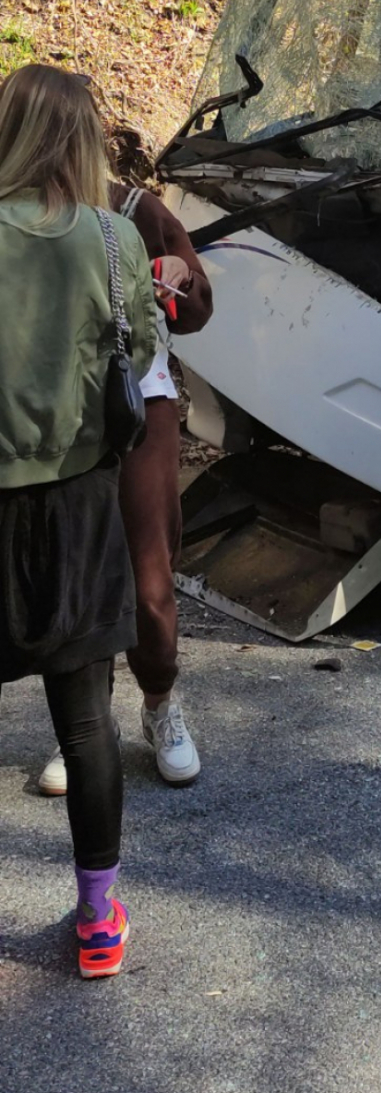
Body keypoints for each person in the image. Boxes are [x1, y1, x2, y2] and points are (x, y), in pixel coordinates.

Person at [0, 65, 156, 977]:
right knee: (88, 724)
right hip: (78, 502)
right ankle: (99, 922)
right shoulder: (112, 237)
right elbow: (145, 345)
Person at [38, 183, 212, 792]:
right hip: (55, 410)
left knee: (148, 572)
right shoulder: (21, 208)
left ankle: (160, 704)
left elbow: (197, 305)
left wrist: (178, 279)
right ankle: (89, 726)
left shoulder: (134, 208)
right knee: (75, 569)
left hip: (140, 399)